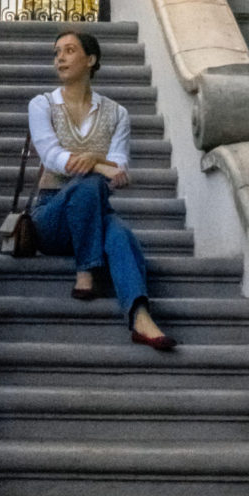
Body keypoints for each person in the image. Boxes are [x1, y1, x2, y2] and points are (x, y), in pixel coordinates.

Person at [27, 29, 176, 351]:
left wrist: (102, 165)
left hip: (96, 214)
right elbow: (52, 157)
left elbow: (119, 171)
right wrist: (98, 162)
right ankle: (86, 270)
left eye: (69, 50)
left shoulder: (117, 113)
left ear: (90, 59)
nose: (60, 58)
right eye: (57, 52)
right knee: (91, 182)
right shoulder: (42, 105)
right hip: (51, 217)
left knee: (121, 235)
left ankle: (140, 317)